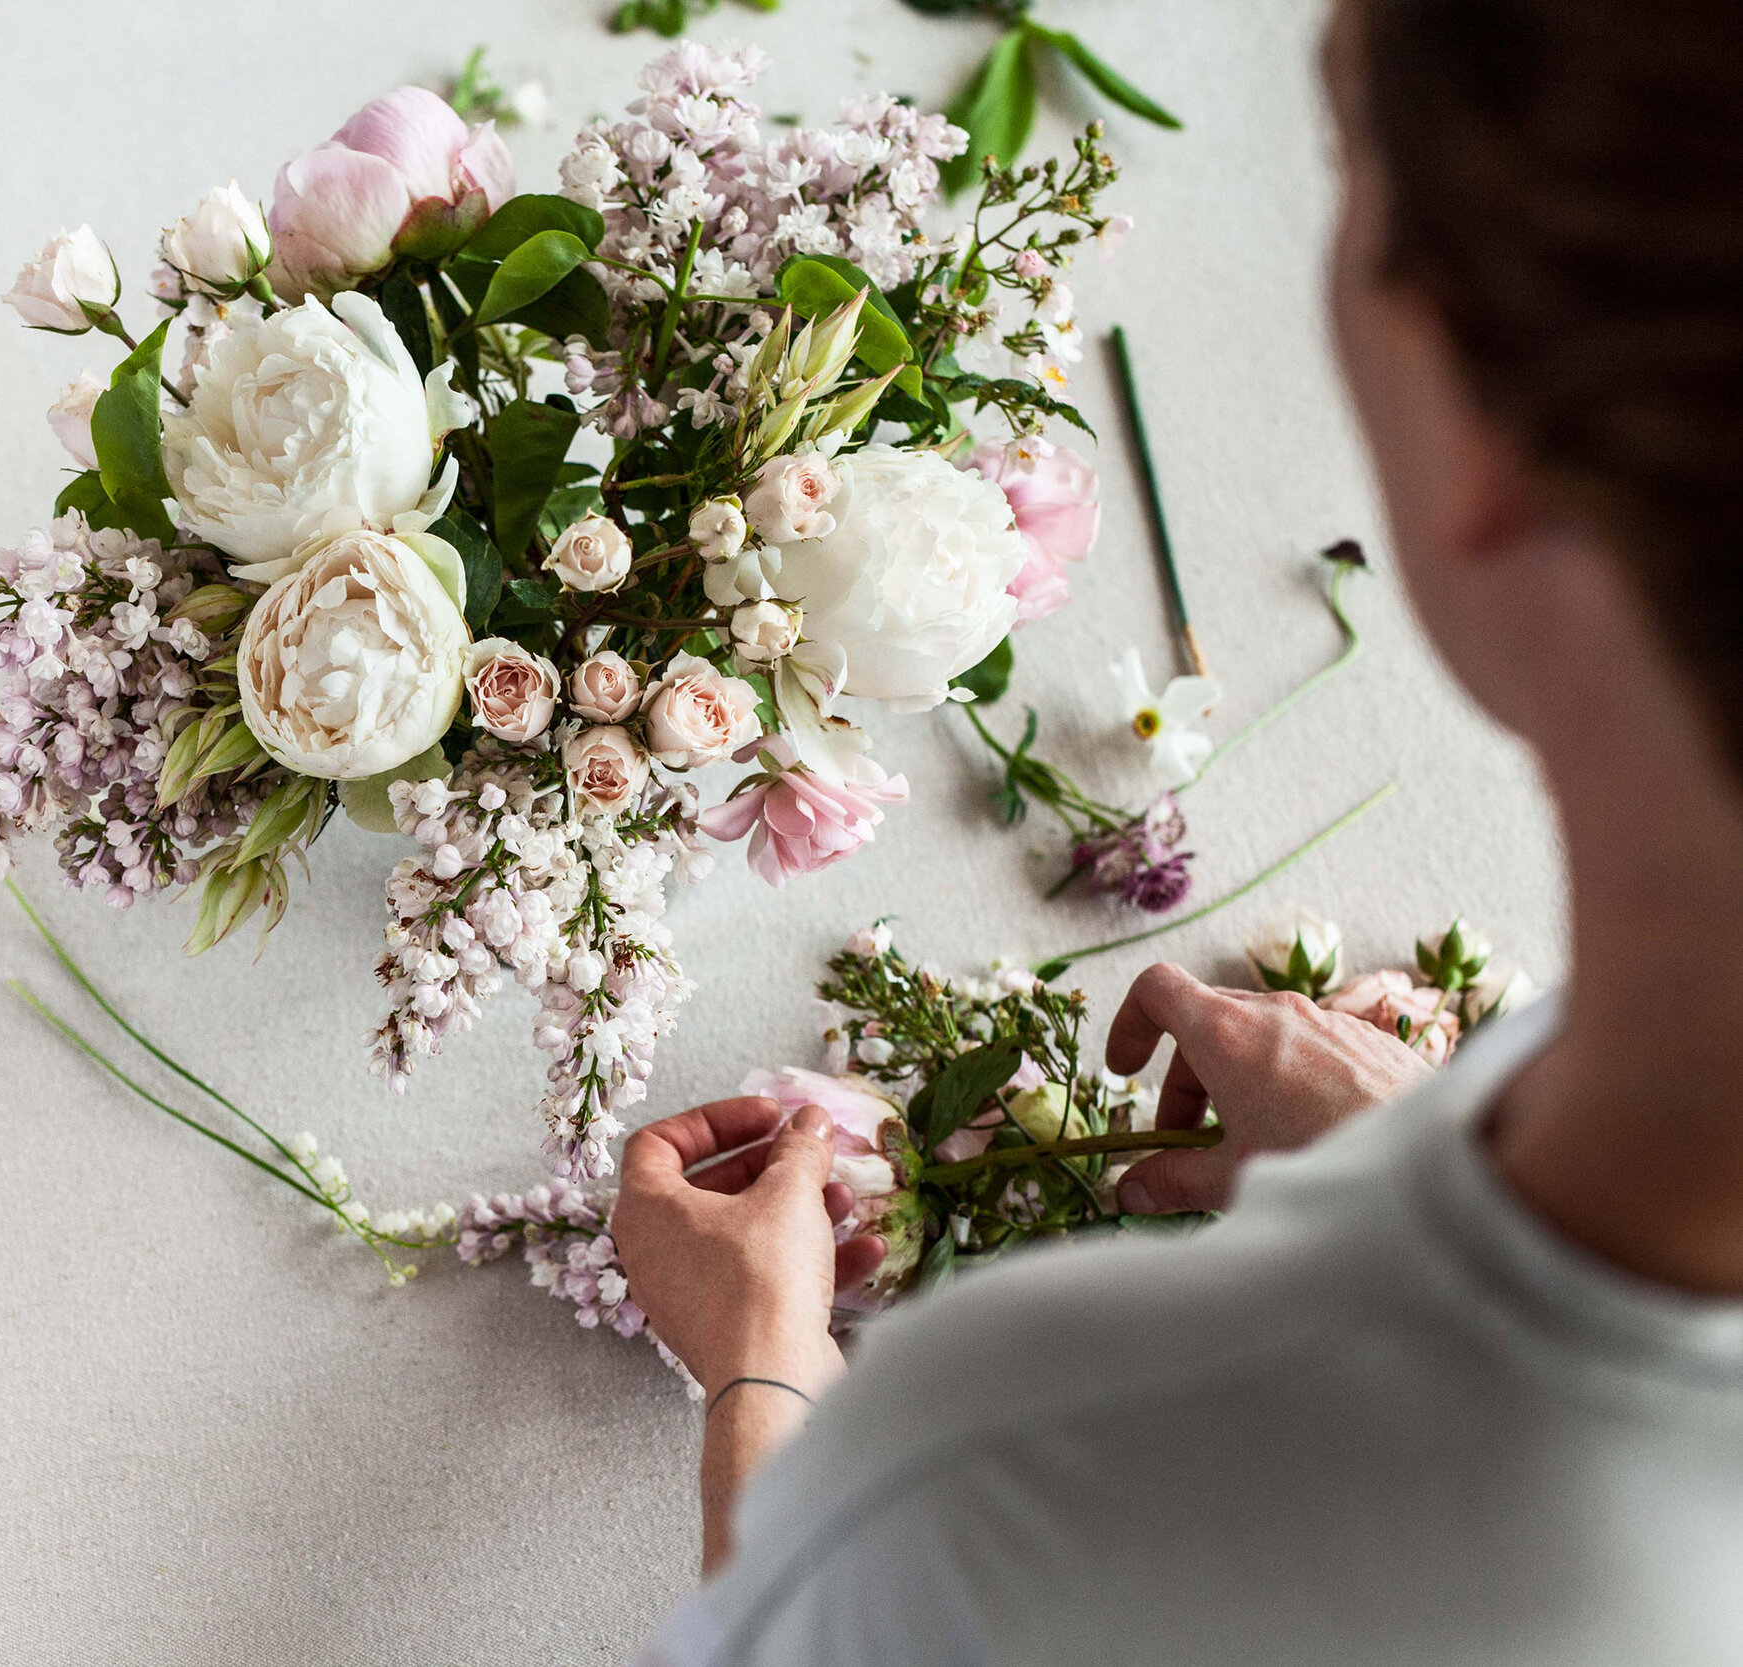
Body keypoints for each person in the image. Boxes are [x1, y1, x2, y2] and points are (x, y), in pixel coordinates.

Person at [614, 0, 1743, 1660]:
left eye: (1354, 189)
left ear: (1487, 437)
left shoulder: (1031, 1473)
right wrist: (1408, 1156)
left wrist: (772, 1375)